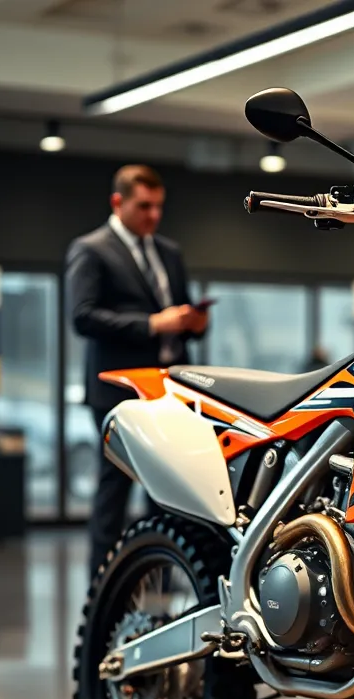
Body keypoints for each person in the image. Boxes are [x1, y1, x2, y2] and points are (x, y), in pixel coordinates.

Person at [66, 164, 208, 575]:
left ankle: (161, 578)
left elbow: (180, 310)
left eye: (159, 207)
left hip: (170, 387)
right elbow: (82, 317)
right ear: (118, 202)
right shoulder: (91, 249)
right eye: (144, 206)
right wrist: (151, 324)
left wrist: (195, 323)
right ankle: (102, 585)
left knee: (166, 489)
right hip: (119, 389)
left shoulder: (169, 252)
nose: (153, 216)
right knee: (114, 488)